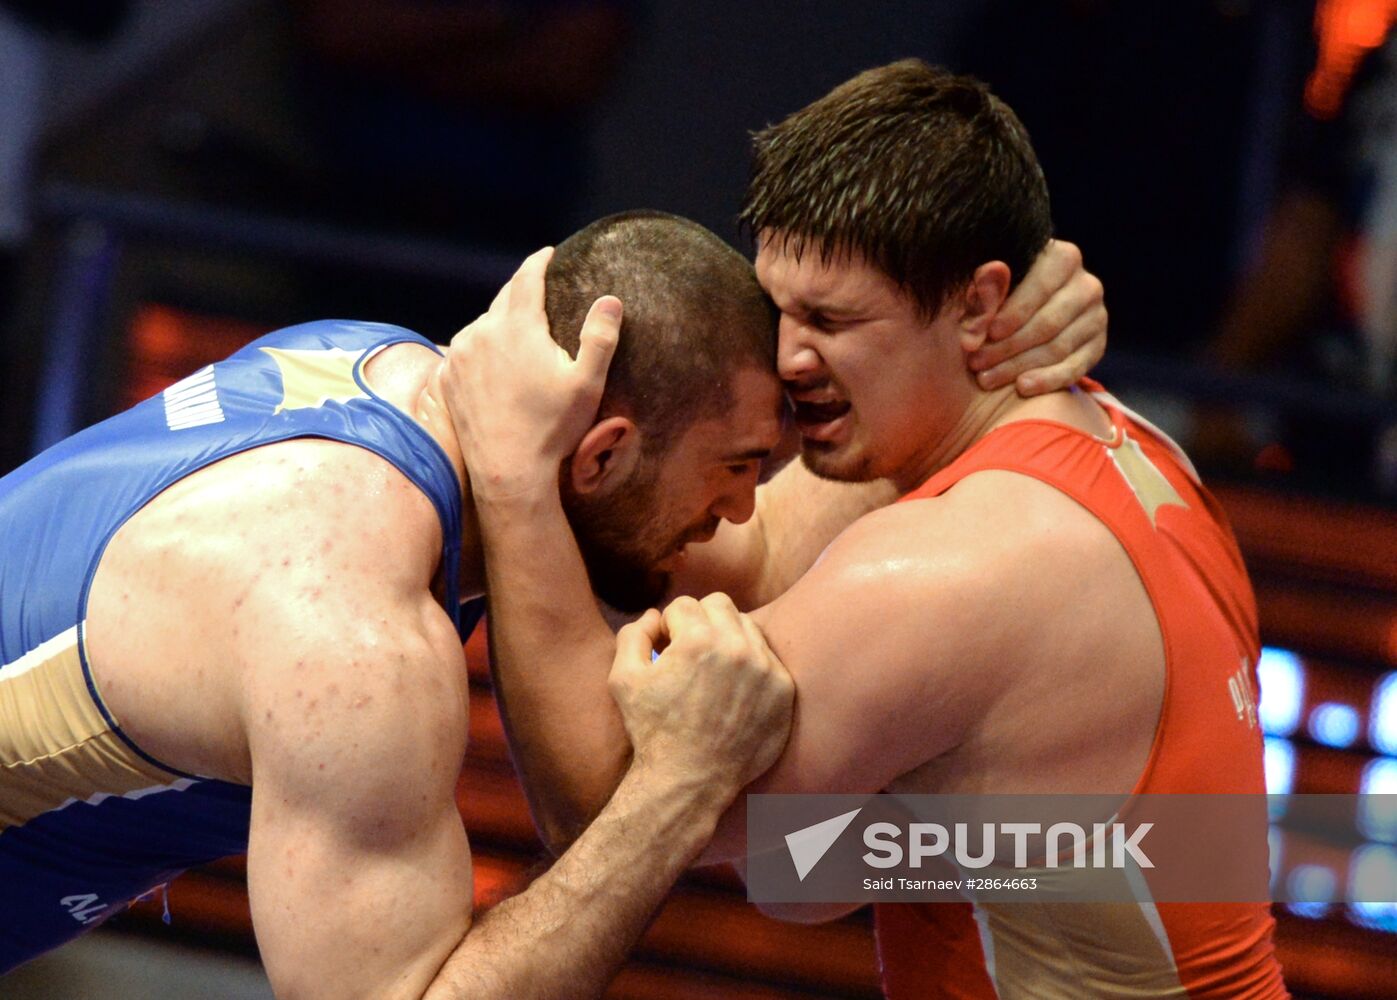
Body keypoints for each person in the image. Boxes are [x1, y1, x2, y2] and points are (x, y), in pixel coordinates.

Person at [0, 207, 1101, 996]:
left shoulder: (380, 371)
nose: (736, 514)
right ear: (603, 452)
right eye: (734, 470)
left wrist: (982, 343)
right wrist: (677, 786)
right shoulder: (348, 636)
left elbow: (765, 546)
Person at [440, 62, 1288, 997]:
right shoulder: (1129, 444)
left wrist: (516, 479)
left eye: (831, 320)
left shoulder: (946, 571)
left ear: (977, 305)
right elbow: (810, 871)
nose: (787, 358)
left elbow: (605, 813)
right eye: (780, 307)